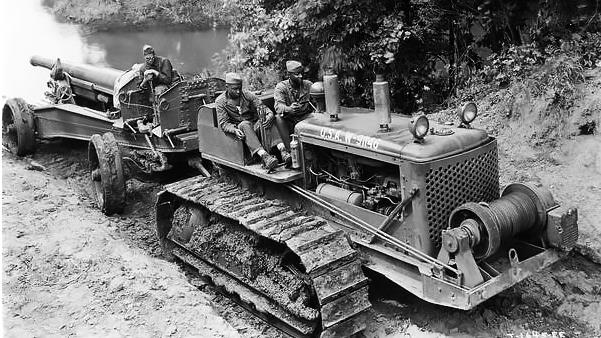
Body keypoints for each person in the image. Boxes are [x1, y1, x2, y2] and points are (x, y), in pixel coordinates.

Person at [215, 72, 292, 171]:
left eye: (240, 88)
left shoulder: (247, 95)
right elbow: (224, 124)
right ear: (227, 87)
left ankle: (283, 150)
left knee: (266, 119)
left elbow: (262, 107)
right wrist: (234, 130)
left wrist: (269, 114)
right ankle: (264, 156)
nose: (238, 92)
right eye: (235, 89)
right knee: (244, 124)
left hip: (254, 127)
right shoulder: (220, 102)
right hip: (241, 132)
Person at [274, 60, 314, 135]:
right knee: (278, 118)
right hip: (290, 120)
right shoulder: (281, 87)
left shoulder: (308, 85)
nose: (301, 76)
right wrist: (289, 109)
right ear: (288, 74)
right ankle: (288, 146)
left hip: (306, 118)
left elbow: (317, 105)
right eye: (297, 74)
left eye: (301, 73)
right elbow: (278, 107)